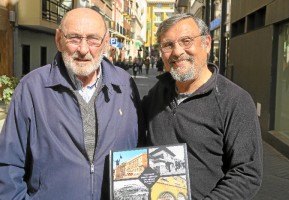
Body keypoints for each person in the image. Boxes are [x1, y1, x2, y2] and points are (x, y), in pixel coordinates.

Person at [0, 7, 145, 200]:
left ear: (105, 42)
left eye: (93, 39)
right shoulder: (31, 89)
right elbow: (8, 165)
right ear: (59, 40)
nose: (83, 50)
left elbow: (140, 150)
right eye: (74, 38)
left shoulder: (125, 85)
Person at [142, 13, 263, 200]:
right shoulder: (157, 93)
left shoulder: (235, 101)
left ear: (206, 43)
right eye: (168, 45)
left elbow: (246, 173)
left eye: (186, 41)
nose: (177, 51)